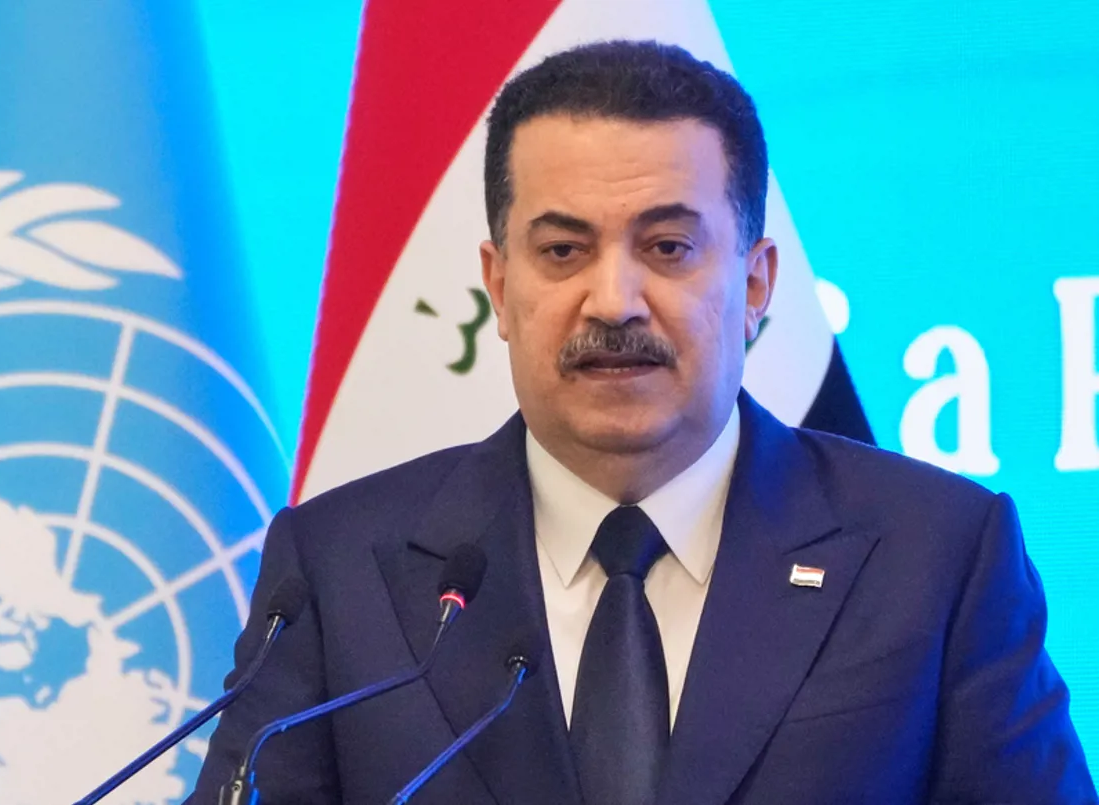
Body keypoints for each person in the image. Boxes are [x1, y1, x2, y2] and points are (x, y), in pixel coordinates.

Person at [188, 40, 1095, 804]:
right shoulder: (339, 567)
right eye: (563, 250)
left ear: (755, 284)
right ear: (499, 285)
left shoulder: (936, 557)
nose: (614, 300)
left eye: (668, 247)